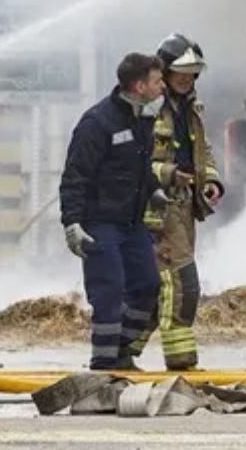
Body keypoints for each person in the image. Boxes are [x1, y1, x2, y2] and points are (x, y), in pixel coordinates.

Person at [59, 52, 166, 370]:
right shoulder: (97, 124)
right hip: (100, 223)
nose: (163, 88)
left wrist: (153, 189)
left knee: (148, 285)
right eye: (157, 81)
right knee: (109, 291)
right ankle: (104, 364)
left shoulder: (142, 118)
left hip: (132, 222)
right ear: (139, 86)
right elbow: (75, 176)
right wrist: (72, 223)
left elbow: (139, 165)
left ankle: (122, 351)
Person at [146, 33, 223, 371]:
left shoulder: (191, 107)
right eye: (181, 71)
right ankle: (181, 363)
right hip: (158, 209)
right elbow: (133, 161)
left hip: (184, 206)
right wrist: (168, 173)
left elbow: (202, 150)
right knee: (182, 282)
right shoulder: (149, 109)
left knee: (152, 291)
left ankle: (121, 351)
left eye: (193, 72)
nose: (187, 78)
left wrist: (212, 180)